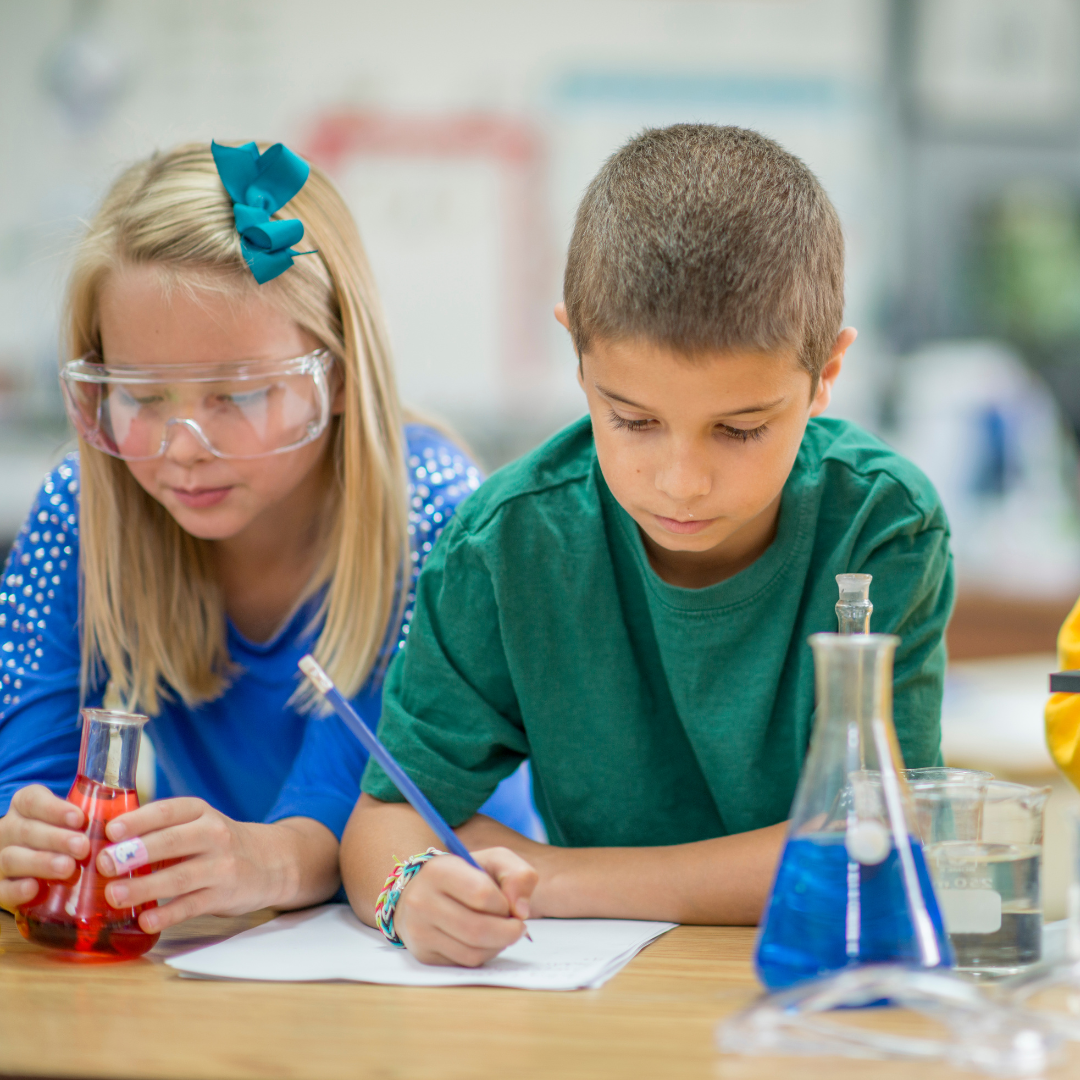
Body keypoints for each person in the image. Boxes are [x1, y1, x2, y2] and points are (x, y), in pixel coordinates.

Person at [340, 124, 954, 967]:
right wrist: (410, 890)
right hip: (593, 1001)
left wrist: (558, 881)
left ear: (827, 374)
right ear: (577, 355)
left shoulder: (881, 526)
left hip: (814, 980)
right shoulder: (505, 544)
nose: (681, 481)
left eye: (740, 429)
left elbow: (880, 843)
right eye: (632, 420)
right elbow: (387, 817)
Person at [0, 140, 539, 934]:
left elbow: (347, 814)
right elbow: (25, 787)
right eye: (140, 396)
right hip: (250, 941)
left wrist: (263, 862)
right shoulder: (81, 511)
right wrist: (26, 846)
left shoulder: (434, 510)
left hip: (470, 934)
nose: (183, 445)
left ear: (345, 373)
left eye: (239, 395)